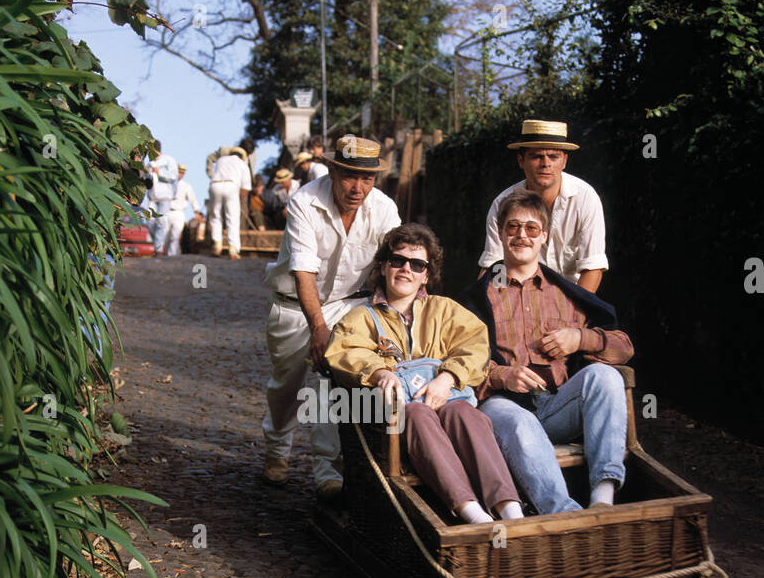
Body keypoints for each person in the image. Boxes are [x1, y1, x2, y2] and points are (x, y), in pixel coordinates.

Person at [325, 226, 525, 524]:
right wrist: (379, 372)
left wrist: (447, 378)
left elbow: (475, 345)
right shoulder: (361, 318)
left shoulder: (444, 310)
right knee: (416, 412)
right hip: (392, 423)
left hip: (446, 404)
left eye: (417, 264)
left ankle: (510, 509)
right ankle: (471, 512)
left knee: (464, 412)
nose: (406, 269)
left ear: (426, 275)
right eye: (397, 260)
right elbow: (346, 351)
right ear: (383, 266)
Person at [460, 188, 634, 515]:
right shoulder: (474, 299)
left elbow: (624, 347)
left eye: (531, 228)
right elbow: (455, 363)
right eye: (512, 227)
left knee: (604, 376)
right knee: (519, 420)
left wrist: (581, 338)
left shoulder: (566, 294)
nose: (521, 236)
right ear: (500, 233)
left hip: (556, 407)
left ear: (545, 237)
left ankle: (602, 499)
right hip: (501, 409)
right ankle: (563, 514)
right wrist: (500, 375)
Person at [261, 135, 401, 500]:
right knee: (286, 387)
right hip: (294, 304)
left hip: (349, 304)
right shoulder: (305, 200)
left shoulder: (384, 208)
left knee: (333, 382)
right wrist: (318, 327)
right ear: (334, 170)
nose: (358, 188)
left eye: (367, 179)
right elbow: (303, 271)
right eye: (350, 177)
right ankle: (277, 450)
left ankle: (328, 471)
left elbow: (395, 263)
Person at [477, 119, 608, 293]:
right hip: (520, 298)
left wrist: (574, 315)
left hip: (573, 299)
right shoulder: (502, 203)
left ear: (564, 161)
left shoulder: (585, 198)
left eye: (554, 156)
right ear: (521, 160)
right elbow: (495, 266)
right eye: (536, 156)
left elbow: (593, 267)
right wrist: (494, 308)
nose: (546, 163)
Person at [207, 145, 251, 259]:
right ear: (242, 156)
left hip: (215, 185)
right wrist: (239, 200)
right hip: (231, 186)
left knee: (216, 216)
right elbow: (245, 188)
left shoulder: (221, 160)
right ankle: (233, 249)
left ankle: (217, 245)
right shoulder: (242, 164)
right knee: (232, 218)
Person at [148, 140, 179, 256]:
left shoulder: (168, 160)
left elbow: (173, 176)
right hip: (152, 197)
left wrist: (159, 172)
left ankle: (158, 249)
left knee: (161, 221)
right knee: (150, 223)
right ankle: (158, 244)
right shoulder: (149, 163)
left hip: (165, 196)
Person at [164, 164, 200, 256]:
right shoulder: (167, 184)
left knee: (175, 236)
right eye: (179, 172)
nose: (180, 175)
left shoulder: (186, 186)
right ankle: (171, 254)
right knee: (166, 237)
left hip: (178, 213)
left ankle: (172, 256)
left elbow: (193, 199)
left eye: (182, 173)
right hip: (166, 212)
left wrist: (196, 212)